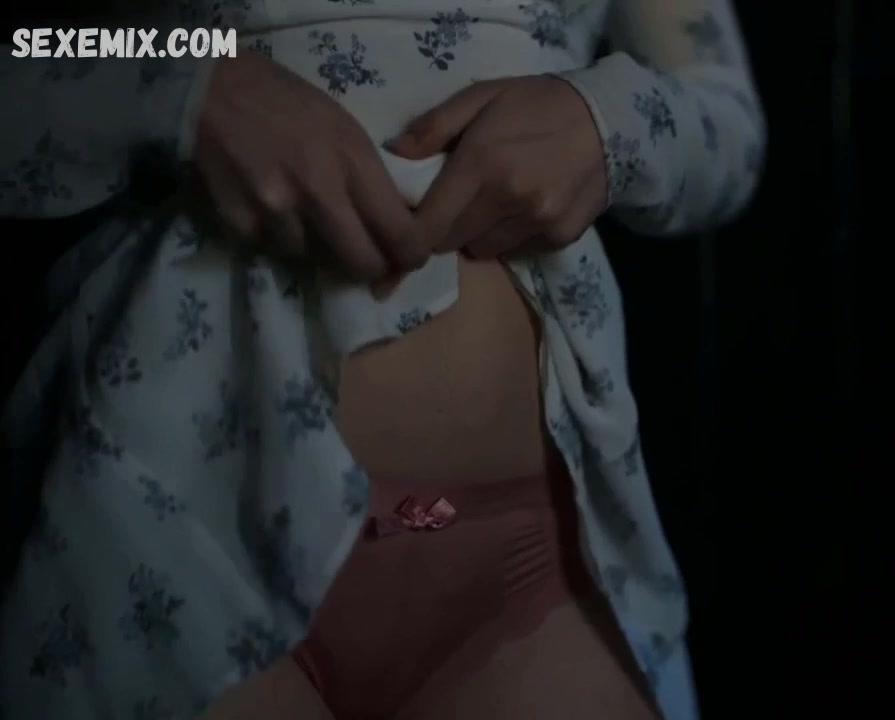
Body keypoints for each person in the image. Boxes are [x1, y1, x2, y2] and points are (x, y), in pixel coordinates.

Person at [0, 1, 764, 718]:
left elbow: (727, 114)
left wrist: (609, 122)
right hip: (178, 536)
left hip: (527, 568)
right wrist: (191, 87)